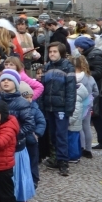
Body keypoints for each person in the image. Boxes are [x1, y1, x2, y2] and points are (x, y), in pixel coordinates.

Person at [0, 69, 35, 202]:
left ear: (16, 84)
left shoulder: (22, 102)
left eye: (9, 80)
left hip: (16, 148)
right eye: (3, 80)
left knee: (18, 179)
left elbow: (29, 125)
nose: (5, 82)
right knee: (3, 181)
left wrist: (12, 137)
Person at [42, 42, 76, 177]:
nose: (52, 54)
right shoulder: (47, 67)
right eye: (50, 52)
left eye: (55, 52)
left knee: (61, 135)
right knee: (53, 135)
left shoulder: (68, 67)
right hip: (49, 106)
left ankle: (63, 162)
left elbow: (71, 90)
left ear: (61, 53)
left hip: (61, 107)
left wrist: (69, 108)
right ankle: (55, 158)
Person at [74, 36, 102, 152]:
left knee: (97, 116)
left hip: (100, 89)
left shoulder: (95, 55)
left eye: (78, 47)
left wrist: (84, 74)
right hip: (99, 88)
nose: (77, 49)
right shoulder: (92, 54)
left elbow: (99, 73)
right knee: (96, 116)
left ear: (82, 47)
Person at [71, 54, 98, 159]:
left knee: (77, 127)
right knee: (86, 127)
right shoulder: (89, 77)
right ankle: (88, 150)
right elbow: (96, 91)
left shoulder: (70, 76)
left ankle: (80, 147)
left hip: (74, 104)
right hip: (87, 104)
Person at [19, 83, 45, 188]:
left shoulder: (34, 107)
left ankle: (34, 179)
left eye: (31, 97)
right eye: (26, 97)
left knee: (33, 160)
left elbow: (41, 121)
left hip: (31, 138)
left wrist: (37, 133)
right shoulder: (18, 108)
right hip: (21, 138)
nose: (29, 100)